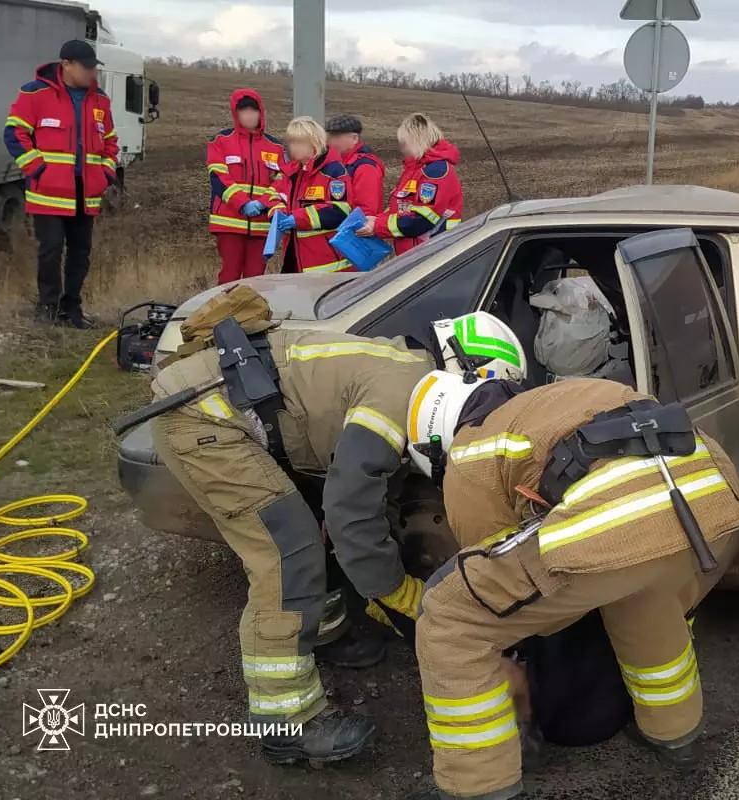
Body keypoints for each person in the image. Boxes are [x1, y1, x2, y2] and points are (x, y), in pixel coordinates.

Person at [144, 301, 525, 766]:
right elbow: (350, 511)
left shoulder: (410, 372)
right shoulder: (399, 395)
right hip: (201, 419)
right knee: (288, 548)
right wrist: (394, 592)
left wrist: (378, 585)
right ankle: (288, 723)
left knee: (311, 525)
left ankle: (322, 633)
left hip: (232, 411)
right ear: (469, 373)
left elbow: (373, 492)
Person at [402, 372, 739, 800]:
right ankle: (676, 738)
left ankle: (478, 787)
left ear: (434, 441)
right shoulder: (563, 394)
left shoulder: (470, 448)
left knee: (452, 617)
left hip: (619, 519)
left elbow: (490, 561)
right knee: (646, 598)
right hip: (715, 502)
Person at [4, 39, 119, 329]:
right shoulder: (35, 94)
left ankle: (72, 309)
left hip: (86, 193)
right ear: (66, 64)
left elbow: (110, 143)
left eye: (94, 68)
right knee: (51, 249)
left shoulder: (100, 100)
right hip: (49, 194)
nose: (92, 73)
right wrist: (37, 169)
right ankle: (48, 308)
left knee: (81, 253)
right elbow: (14, 134)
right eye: (86, 67)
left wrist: (105, 174)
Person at [207, 89, 284, 284]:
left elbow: (282, 180)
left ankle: (252, 314)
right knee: (229, 276)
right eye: (244, 111)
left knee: (256, 278)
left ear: (261, 113)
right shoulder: (220, 142)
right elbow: (218, 177)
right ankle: (222, 314)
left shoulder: (276, 147)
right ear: (236, 114)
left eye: (253, 111)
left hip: (261, 223)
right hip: (229, 222)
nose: (249, 116)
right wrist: (242, 203)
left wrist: (264, 202)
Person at [358, 113, 462, 254]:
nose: (402, 150)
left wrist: (377, 226)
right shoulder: (416, 169)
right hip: (416, 252)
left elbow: (421, 220)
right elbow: (401, 207)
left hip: (432, 253)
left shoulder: (436, 172)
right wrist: (376, 219)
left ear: (416, 141)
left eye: (404, 144)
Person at [266, 117, 354, 274]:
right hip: (294, 254)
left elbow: (339, 211)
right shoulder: (292, 171)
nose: (293, 147)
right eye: (292, 142)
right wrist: (277, 212)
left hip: (325, 261)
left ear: (314, 142)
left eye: (299, 142)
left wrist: (297, 218)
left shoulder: (333, 171)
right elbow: (275, 195)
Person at [325, 115, 386, 216]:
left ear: (354, 138)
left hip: (354, 228)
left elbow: (366, 209)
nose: (331, 142)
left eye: (337, 137)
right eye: (330, 137)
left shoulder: (365, 167)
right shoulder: (336, 161)